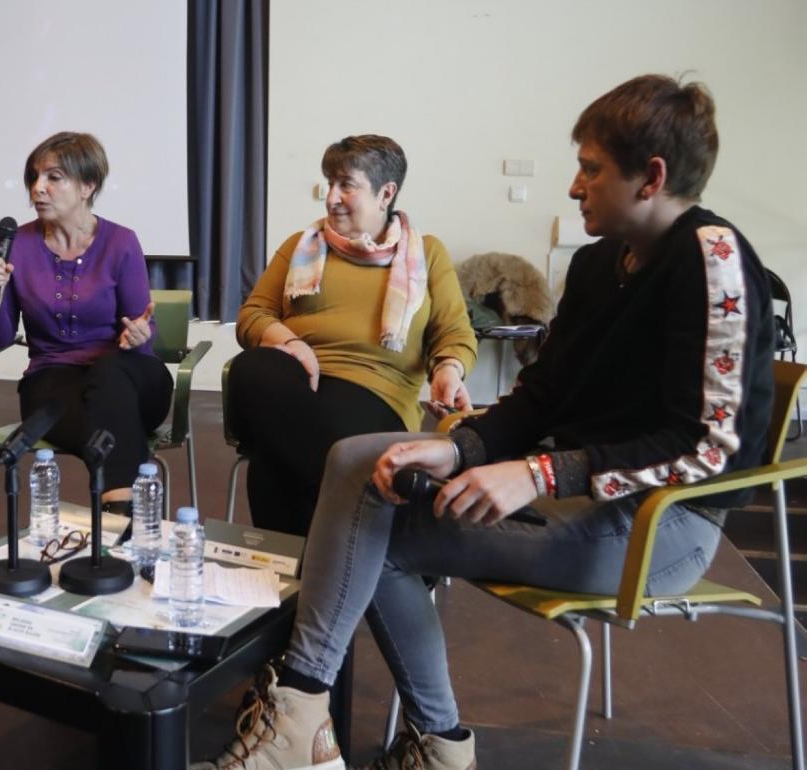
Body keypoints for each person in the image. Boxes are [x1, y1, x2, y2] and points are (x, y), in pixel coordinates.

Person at [193, 75, 774, 770]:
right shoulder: (597, 265)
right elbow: (541, 397)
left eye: (590, 170)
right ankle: (356, 726)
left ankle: (350, 725)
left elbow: (710, 448)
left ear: (650, 178)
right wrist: (462, 449)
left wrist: (539, 472)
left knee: (375, 535)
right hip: (575, 495)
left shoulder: (713, 260)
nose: (574, 187)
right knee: (355, 461)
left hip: (660, 524)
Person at [227, 135, 476, 536]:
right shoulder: (301, 246)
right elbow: (253, 314)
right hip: (294, 383)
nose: (331, 198)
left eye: (346, 185)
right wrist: (291, 344)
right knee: (251, 368)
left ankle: (300, 565)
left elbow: (453, 331)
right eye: (330, 183)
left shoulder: (426, 253)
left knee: (273, 463)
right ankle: (370, 513)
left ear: (386, 193)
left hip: (376, 392)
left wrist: (449, 368)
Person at [0, 131, 173, 511]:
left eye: (54, 177)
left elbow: (142, 333)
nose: (38, 188)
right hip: (53, 382)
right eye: (34, 177)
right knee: (111, 420)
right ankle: (124, 513)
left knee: (110, 374)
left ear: (87, 186)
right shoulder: (18, 245)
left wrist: (139, 336)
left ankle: (117, 516)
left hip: (130, 375)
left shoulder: (121, 242)